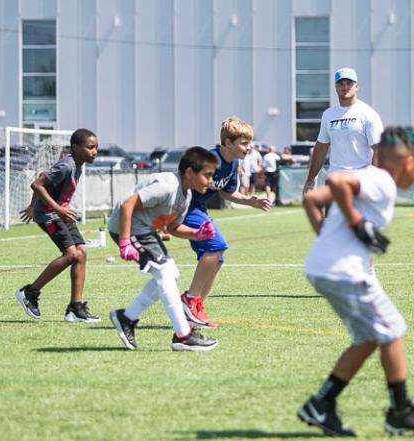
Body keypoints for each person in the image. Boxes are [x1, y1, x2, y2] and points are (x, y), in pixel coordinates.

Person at [296, 126, 414, 436]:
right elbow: (336, 180)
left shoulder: (370, 178)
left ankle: (321, 403)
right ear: (407, 161)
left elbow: (313, 199)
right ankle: (400, 411)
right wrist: (357, 224)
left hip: (328, 267)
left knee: (369, 337)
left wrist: (331, 240)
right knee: (392, 329)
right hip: (343, 271)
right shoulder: (381, 181)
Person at [108, 147, 220, 352]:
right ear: (189, 172)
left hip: (144, 230)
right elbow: (127, 204)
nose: (210, 181)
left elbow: (172, 228)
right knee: (165, 273)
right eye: (207, 175)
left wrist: (197, 234)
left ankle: (127, 318)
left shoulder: (185, 196)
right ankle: (183, 335)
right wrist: (124, 242)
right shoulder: (167, 186)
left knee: (171, 274)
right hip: (128, 227)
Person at [180, 117, 272, 329]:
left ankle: (195, 307)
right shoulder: (209, 159)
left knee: (216, 259)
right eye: (244, 143)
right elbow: (182, 178)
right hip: (183, 208)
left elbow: (227, 192)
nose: (249, 148)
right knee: (217, 246)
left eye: (250, 142)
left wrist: (250, 200)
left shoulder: (233, 163)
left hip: (198, 209)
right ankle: (190, 298)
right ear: (228, 143)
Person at [15, 129, 100, 322]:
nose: (94, 151)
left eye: (96, 148)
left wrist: (34, 205)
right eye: (90, 147)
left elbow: (44, 179)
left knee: (81, 253)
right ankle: (30, 292)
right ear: (76, 148)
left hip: (59, 213)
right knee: (71, 254)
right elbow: (38, 183)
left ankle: (75, 309)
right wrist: (52, 208)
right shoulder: (67, 165)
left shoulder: (77, 164)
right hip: (48, 214)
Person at [302, 68, 383, 195]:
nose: (345, 87)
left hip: (359, 181)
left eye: (349, 83)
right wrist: (311, 179)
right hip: (334, 181)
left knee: (356, 216)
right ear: (335, 87)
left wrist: (373, 181)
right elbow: (321, 148)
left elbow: (378, 149)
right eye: (341, 83)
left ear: (357, 86)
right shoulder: (328, 115)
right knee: (329, 216)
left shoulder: (367, 114)